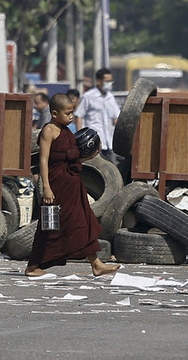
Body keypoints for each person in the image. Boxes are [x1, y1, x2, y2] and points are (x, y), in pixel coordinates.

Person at [25, 93, 119, 277]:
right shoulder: (49, 131)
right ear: (54, 113)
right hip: (56, 185)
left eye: (72, 113)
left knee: (83, 222)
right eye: (67, 113)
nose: (71, 117)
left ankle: (96, 264)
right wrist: (46, 187)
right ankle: (33, 266)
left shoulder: (68, 131)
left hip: (73, 185)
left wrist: (90, 156)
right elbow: (44, 161)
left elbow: (71, 159)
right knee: (50, 227)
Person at [74, 68, 120, 162]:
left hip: (109, 142)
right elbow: (79, 116)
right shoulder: (88, 96)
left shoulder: (110, 97)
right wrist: (80, 138)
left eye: (111, 81)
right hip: (94, 141)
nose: (110, 83)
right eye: (107, 81)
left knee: (112, 169)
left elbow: (116, 118)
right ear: (99, 81)